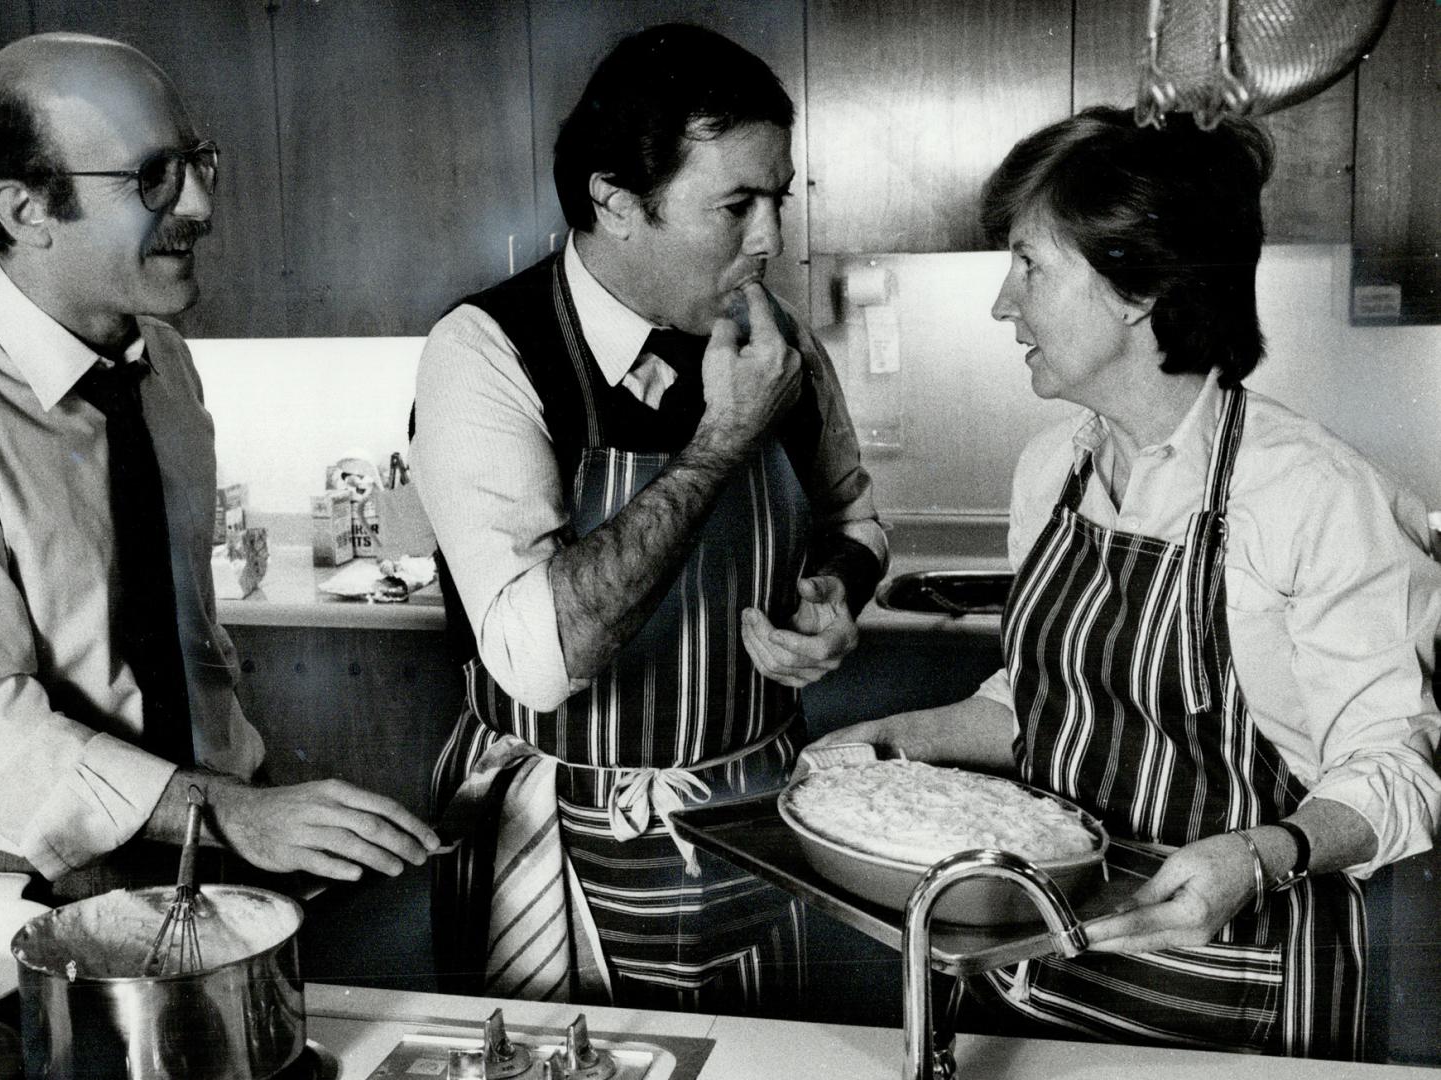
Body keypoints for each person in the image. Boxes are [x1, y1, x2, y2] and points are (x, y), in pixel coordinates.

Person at [818, 106, 1441, 1059]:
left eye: (1029, 265)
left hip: (1237, 993)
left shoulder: (1309, 495)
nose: (1000, 303)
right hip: (1038, 971)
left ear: (1137, 288)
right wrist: (898, 741)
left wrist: (1261, 854)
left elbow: (1399, 765)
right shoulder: (1050, 468)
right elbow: (1046, 709)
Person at [0, 33, 438, 899]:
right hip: (59, 878)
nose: (200, 202)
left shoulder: (164, 365)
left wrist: (241, 808)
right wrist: (226, 812)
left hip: (223, 835)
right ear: (25, 212)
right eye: (153, 175)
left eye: (199, 162)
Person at [412, 23, 886, 1013]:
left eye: (777, 200)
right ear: (613, 202)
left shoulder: (777, 343)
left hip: (753, 819)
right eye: (734, 206)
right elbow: (540, 658)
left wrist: (832, 594)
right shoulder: (488, 352)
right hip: (551, 839)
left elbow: (854, 515)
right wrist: (722, 439)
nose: (770, 240)